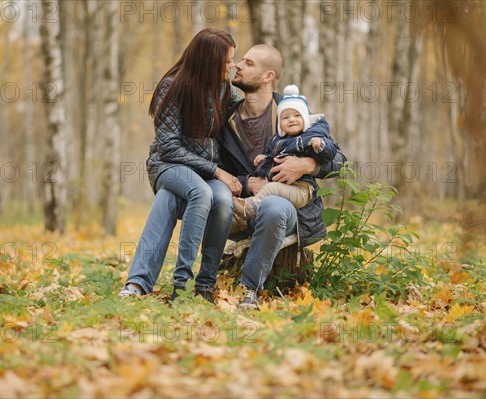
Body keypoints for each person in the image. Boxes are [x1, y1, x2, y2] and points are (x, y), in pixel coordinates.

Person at [119, 28, 241, 302]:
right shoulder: (173, 86)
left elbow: (245, 116)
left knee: (221, 199)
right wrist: (218, 171)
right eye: (227, 61)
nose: (231, 66)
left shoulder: (224, 90)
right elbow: (169, 146)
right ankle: (182, 285)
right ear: (209, 61)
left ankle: (201, 286)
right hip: (168, 165)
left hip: (206, 172)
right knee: (202, 192)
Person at [220, 44, 346, 309]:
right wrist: (246, 182)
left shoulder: (294, 113)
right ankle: (203, 284)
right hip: (240, 211)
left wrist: (306, 166)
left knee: (274, 206)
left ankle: (249, 290)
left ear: (268, 76)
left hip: (287, 212)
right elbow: (213, 165)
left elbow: (339, 161)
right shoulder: (226, 118)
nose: (238, 65)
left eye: (249, 62)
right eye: (240, 60)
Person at [232, 84, 336, 223]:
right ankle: (244, 220)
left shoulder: (312, 136)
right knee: (270, 190)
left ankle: (248, 209)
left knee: (271, 188)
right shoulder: (278, 140)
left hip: (301, 189)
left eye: (297, 115)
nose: (292, 119)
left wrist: (320, 146)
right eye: (286, 118)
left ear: (305, 118)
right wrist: (265, 159)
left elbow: (331, 152)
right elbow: (274, 157)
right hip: (283, 186)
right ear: (280, 124)